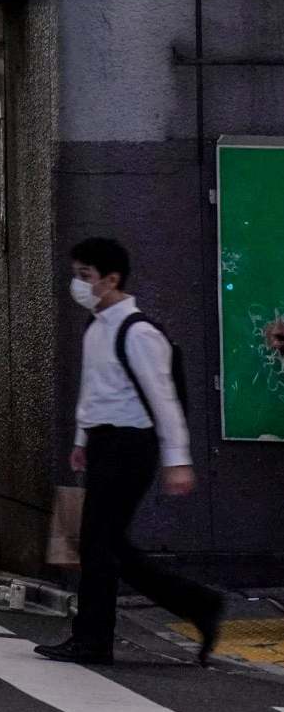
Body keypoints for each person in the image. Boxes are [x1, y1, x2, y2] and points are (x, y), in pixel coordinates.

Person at [36, 237, 226, 666]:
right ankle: (198, 605)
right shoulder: (95, 326)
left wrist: (178, 460)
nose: (78, 284)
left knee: (98, 544)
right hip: (105, 443)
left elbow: (164, 399)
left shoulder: (138, 332)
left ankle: (93, 638)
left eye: (85, 276)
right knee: (109, 545)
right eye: (76, 275)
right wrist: (82, 441)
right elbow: (93, 391)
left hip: (131, 446)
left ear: (112, 279)